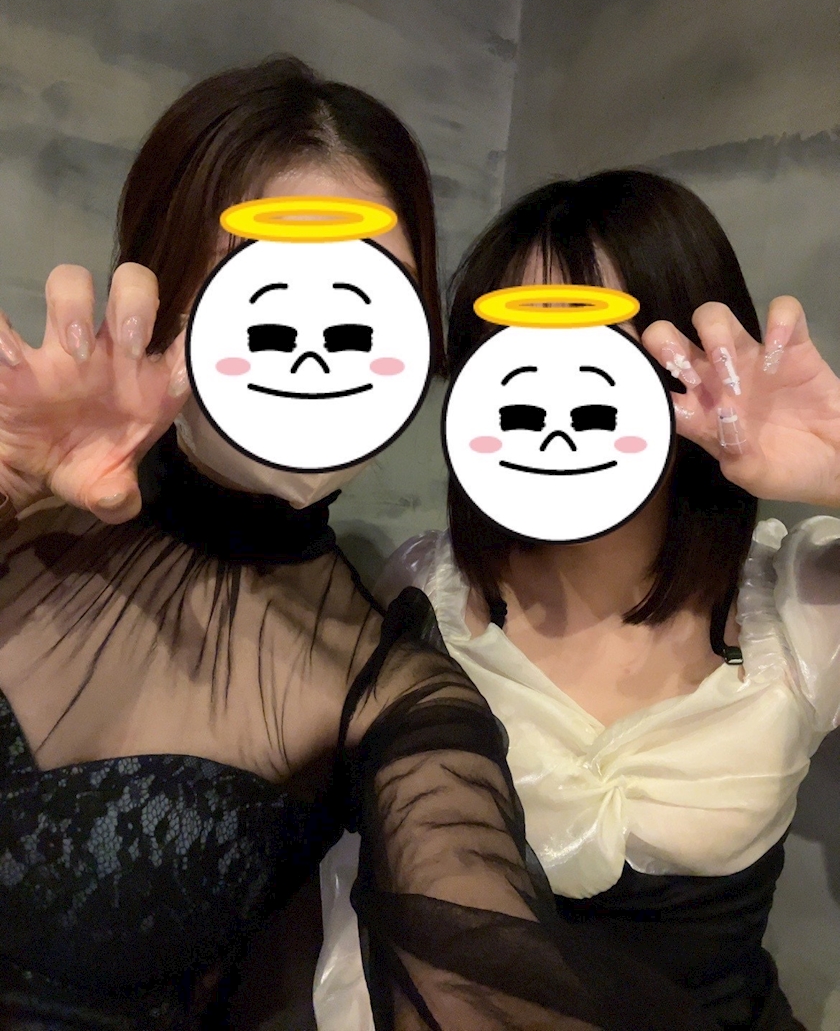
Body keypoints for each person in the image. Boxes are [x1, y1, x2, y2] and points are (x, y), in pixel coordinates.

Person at [0, 63, 719, 1031]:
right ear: (164, 291)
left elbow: (480, 968)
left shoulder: (391, 685)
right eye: (267, 288)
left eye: (369, 298)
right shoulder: (19, 495)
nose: (314, 345)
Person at [314, 170, 840, 1031]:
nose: (554, 387)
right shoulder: (420, 597)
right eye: (514, 348)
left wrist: (834, 466)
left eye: (595, 346)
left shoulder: (798, 603)